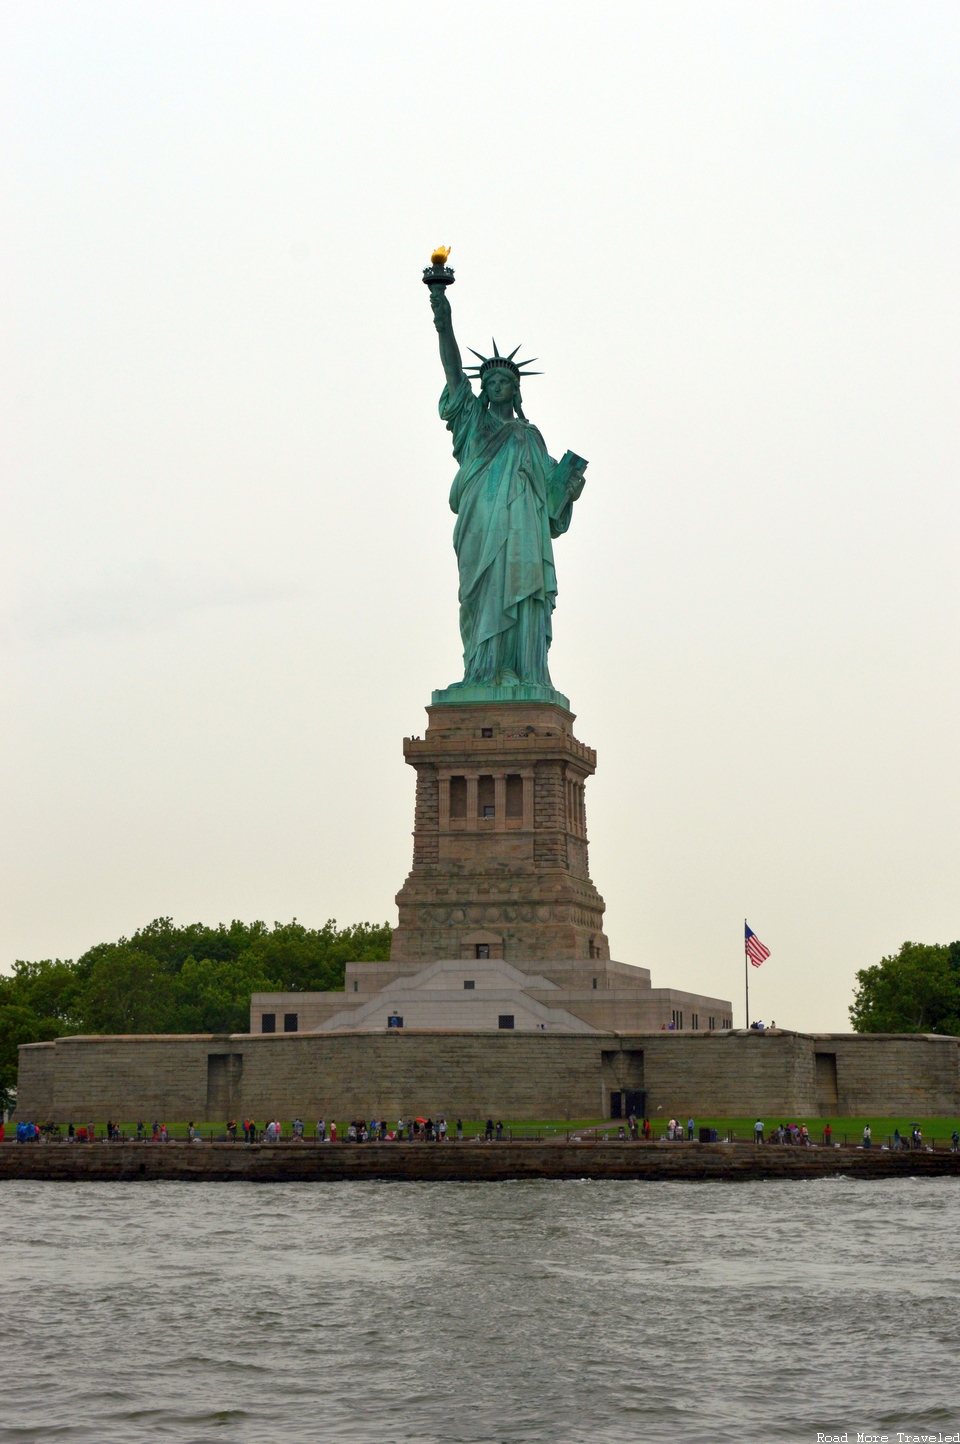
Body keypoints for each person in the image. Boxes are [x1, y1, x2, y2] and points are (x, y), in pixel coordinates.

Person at [428, 275, 588, 695]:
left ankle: (520, 669)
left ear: (515, 390)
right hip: (481, 520)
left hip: (522, 531)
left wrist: (568, 487)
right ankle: (481, 671)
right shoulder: (472, 424)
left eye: (505, 382)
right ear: (482, 389)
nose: (496, 386)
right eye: (490, 382)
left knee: (520, 592)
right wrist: (443, 318)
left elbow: (551, 503)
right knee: (480, 595)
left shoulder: (528, 436)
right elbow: (451, 371)